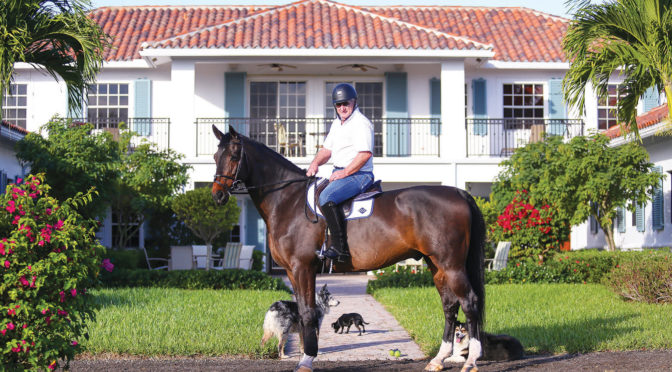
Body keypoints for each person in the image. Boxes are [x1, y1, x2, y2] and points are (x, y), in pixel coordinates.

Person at [306, 83, 374, 261]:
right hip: (340, 172)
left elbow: (364, 155)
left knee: (326, 197)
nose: (342, 108)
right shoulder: (337, 123)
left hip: (359, 175)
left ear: (354, 102)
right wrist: (315, 163)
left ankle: (340, 249)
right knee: (314, 193)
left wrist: (344, 173)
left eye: (346, 103)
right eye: (338, 104)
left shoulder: (361, 123)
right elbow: (326, 150)